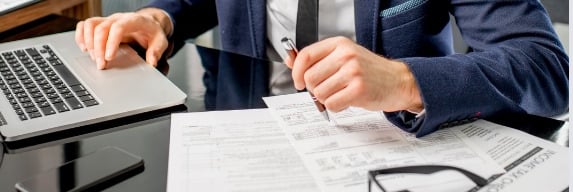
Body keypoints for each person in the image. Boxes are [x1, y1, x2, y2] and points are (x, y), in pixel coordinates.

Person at [75, 0, 568, 137]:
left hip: (391, 149)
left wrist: (405, 81)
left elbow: (546, 69)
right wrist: (160, 17)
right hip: (240, 132)